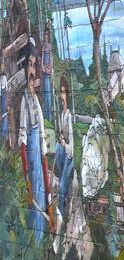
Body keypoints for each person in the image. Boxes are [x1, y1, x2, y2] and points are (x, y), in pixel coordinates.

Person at [18, 56, 49, 242]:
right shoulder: (24, 100)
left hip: (38, 147)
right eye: (30, 65)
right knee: (35, 191)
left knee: (42, 190)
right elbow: (23, 131)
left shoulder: (35, 99)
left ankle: (42, 233)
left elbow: (42, 128)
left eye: (34, 65)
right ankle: (36, 237)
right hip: (31, 150)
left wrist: (43, 148)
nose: (32, 71)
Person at [53, 75, 74, 225]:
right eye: (61, 92)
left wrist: (64, 144)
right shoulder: (62, 113)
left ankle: (62, 218)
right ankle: (60, 178)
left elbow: (71, 148)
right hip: (63, 151)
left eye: (64, 92)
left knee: (61, 190)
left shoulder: (70, 116)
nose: (62, 96)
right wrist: (60, 140)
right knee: (56, 147)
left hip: (70, 155)